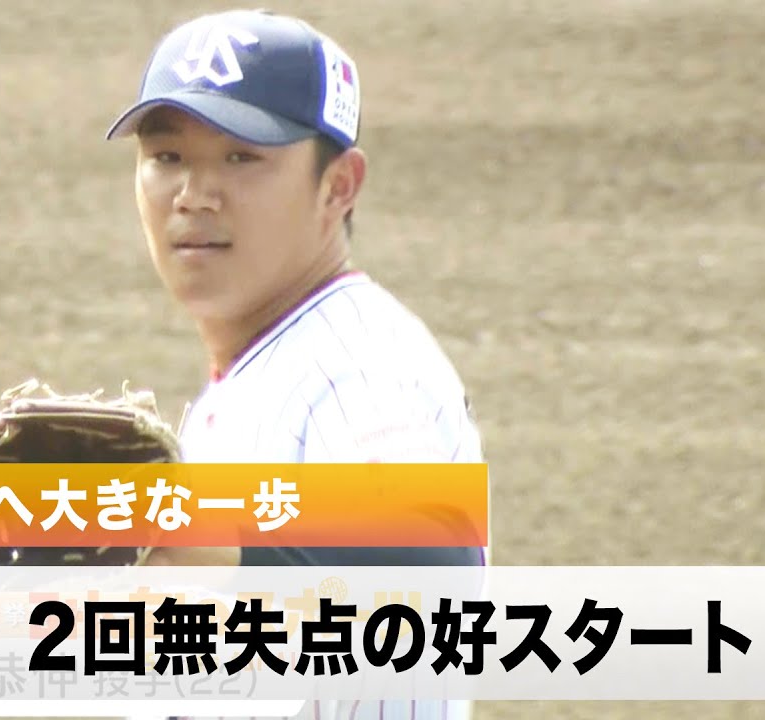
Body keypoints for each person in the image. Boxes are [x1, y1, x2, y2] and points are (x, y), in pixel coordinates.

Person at [105, 8, 487, 719]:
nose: (194, 195)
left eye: (241, 157)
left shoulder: (355, 368)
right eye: (168, 158)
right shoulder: (274, 362)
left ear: (338, 186)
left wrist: (206, 542)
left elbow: (428, 570)